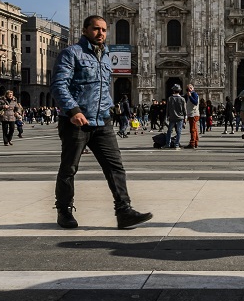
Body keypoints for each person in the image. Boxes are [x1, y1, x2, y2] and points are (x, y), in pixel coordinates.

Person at [52, 15, 152, 230]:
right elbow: (59, 84)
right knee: (69, 168)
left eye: (104, 30)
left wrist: (109, 109)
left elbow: (104, 88)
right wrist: (73, 110)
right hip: (76, 121)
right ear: (85, 30)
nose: (101, 34)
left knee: (115, 167)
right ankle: (64, 210)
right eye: (96, 29)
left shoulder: (106, 56)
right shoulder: (71, 53)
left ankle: (124, 211)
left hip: (102, 121)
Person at [165, 84, 186, 150]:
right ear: (179, 91)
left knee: (169, 131)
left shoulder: (170, 98)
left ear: (173, 91)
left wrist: (166, 117)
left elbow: (167, 109)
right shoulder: (182, 99)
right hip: (180, 117)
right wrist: (185, 117)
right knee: (179, 131)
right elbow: (184, 109)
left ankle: (168, 144)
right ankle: (176, 144)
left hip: (172, 117)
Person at [185, 84, 201, 149]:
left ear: (192, 88)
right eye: (187, 89)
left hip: (193, 114)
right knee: (195, 129)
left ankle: (192, 143)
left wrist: (190, 96)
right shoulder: (193, 94)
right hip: (193, 114)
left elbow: (195, 102)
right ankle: (196, 142)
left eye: (190, 88)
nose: (188, 90)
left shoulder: (193, 94)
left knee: (193, 129)